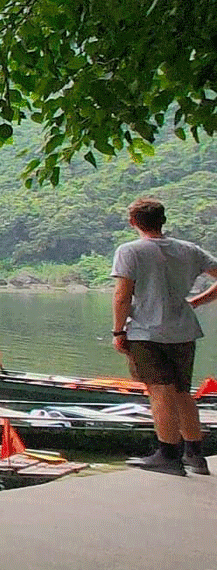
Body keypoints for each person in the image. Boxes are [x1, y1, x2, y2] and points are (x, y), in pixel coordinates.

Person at [111, 197, 217, 475]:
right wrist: (198, 301)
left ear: (134, 222)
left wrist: (118, 331)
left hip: (147, 332)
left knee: (159, 391)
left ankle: (168, 455)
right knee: (182, 392)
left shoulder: (130, 251)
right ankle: (195, 455)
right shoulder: (189, 250)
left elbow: (122, 296)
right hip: (183, 330)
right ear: (163, 220)